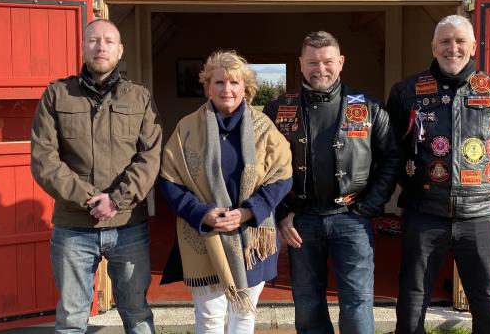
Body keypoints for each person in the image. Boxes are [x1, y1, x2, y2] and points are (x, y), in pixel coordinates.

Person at [386, 15, 490, 334]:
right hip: (424, 214)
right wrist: (414, 188)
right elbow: (390, 152)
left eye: (460, 41)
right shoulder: (406, 92)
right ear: (434, 47)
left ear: (473, 46)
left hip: (480, 217)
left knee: (487, 303)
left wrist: (487, 190)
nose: (453, 48)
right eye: (446, 41)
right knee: (411, 303)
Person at [264, 31, 401, 334]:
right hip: (300, 219)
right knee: (308, 302)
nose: (320, 69)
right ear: (301, 64)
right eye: (312, 62)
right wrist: (281, 212)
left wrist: (370, 205)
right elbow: (263, 167)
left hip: (352, 218)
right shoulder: (277, 109)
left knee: (357, 302)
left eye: (327, 61)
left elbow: (392, 159)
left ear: (340, 62)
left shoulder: (368, 107)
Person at [30, 19, 161, 333]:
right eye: (93, 40)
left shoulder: (139, 97)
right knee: (72, 318)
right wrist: (89, 199)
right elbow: (44, 159)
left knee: (137, 313)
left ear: (120, 50)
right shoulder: (57, 95)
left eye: (108, 41)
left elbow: (150, 157)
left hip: (128, 224)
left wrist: (116, 201)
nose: (100, 47)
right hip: (74, 226)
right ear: (83, 47)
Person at [159, 51, 293, 334]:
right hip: (204, 236)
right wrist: (202, 213)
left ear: (246, 87)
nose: (227, 89)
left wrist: (248, 211)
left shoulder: (264, 128)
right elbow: (170, 181)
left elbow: (282, 176)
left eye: (234, 82)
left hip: (252, 240)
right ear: (208, 86)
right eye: (219, 82)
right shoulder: (186, 128)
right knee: (209, 320)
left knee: (243, 316)